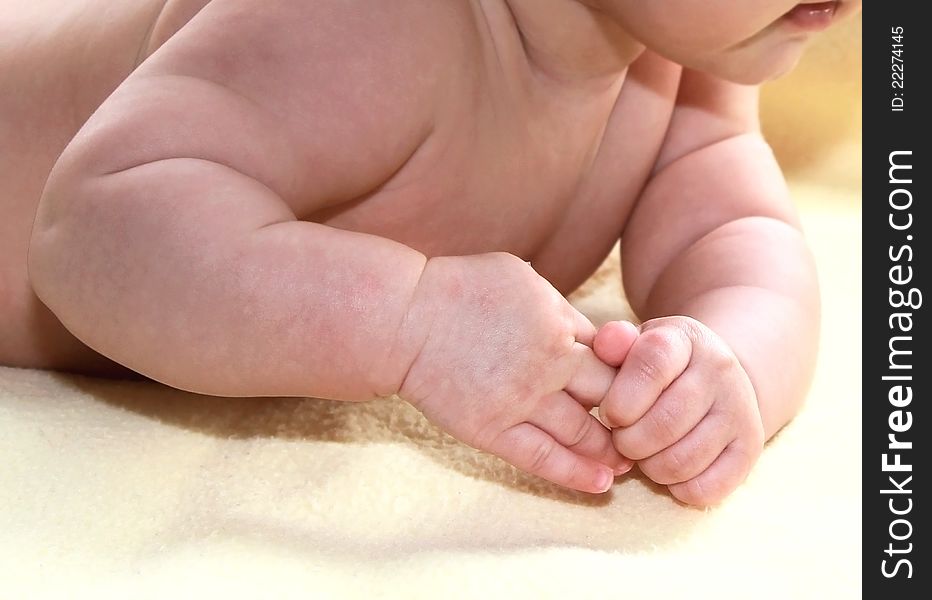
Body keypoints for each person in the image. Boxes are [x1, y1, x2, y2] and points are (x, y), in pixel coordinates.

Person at [3, 0, 860, 506]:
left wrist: (731, 367)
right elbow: (91, 230)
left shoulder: (687, 59)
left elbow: (739, 239)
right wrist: (408, 321)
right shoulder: (364, 25)